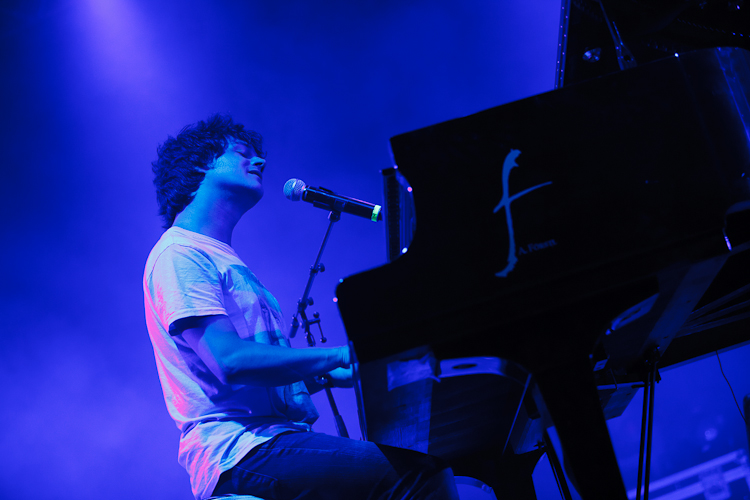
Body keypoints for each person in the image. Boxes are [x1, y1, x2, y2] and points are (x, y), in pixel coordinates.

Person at [143, 114, 460, 500]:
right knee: (420, 476)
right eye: (242, 153)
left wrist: (326, 376)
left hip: (268, 439)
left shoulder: (223, 259)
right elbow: (230, 362)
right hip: (239, 451)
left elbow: (249, 387)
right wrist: (339, 354)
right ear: (199, 164)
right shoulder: (180, 253)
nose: (259, 161)